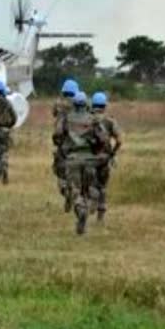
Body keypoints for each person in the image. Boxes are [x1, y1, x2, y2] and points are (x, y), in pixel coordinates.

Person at [58, 91, 107, 235]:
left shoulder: (66, 119)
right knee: (88, 188)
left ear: (73, 104)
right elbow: (103, 139)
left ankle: (81, 210)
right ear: (86, 104)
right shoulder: (93, 119)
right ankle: (92, 202)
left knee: (75, 190)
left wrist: (64, 148)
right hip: (90, 159)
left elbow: (57, 135)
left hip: (72, 159)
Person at [90, 91, 122, 222]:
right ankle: (100, 216)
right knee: (102, 186)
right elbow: (119, 141)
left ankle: (87, 205)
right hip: (104, 158)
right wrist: (112, 153)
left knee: (89, 184)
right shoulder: (110, 121)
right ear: (104, 105)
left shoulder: (86, 119)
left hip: (88, 158)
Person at [52, 78, 79, 211]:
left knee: (60, 172)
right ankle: (73, 192)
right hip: (77, 144)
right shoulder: (80, 103)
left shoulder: (58, 103)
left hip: (62, 144)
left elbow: (54, 114)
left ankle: (65, 191)